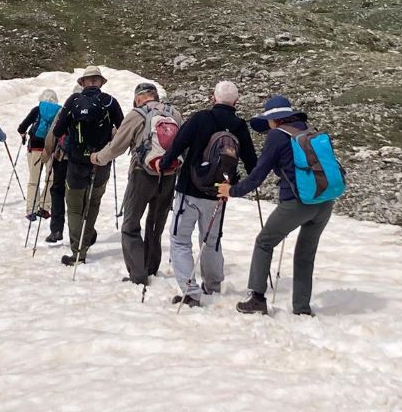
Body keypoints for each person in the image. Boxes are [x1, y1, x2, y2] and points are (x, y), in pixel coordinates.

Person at [219, 95, 335, 317]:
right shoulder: (309, 130)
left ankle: (256, 298)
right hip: (324, 201)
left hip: (297, 203)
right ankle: (302, 308)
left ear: (274, 119)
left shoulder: (277, 136)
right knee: (305, 254)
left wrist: (232, 191)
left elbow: (258, 175)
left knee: (264, 242)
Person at [159, 80, 257, 307]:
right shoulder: (240, 126)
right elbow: (252, 162)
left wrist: (165, 163)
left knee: (180, 239)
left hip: (190, 189)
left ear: (213, 98)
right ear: (236, 102)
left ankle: (190, 292)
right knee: (211, 240)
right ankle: (212, 286)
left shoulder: (201, 118)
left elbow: (178, 144)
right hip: (218, 193)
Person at [91, 82, 182, 286]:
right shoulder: (174, 114)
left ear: (138, 98)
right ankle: (151, 267)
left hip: (142, 175)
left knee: (131, 225)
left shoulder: (136, 114)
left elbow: (116, 147)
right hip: (168, 175)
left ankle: (138, 274)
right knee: (155, 224)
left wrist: (97, 158)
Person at [48, 67, 123, 266]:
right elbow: (122, 129)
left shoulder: (73, 101)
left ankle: (78, 252)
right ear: (100, 82)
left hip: (76, 162)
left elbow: (58, 130)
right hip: (101, 162)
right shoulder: (110, 101)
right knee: (93, 203)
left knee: (74, 208)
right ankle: (86, 242)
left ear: (83, 83)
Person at [41, 85, 82, 245]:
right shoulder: (97, 109)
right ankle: (81, 232)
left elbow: (54, 133)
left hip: (63, 158)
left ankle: (56, 230)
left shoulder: (67, 109)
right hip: (85, 160)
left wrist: (47, 153)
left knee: (57, 191)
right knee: (80, 194)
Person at [18, 89, 61, 220]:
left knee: (33, 180)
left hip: (35, 147)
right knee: (51, 179)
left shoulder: (37, 110)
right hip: (51, 149)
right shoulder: (60, 111)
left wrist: (24, 134)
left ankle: (31, 209)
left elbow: (21, 128)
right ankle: (44, 207)